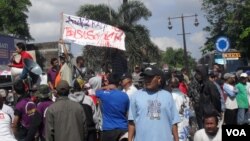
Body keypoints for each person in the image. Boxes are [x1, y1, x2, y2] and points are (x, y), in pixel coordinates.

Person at [128, 66, 180, 141]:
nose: (147, 80)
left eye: (150, 77)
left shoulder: (167, 96)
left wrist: (176, 139)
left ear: (159, 79)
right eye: (145, 77)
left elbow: (174, 122)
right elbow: (131, 122)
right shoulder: (136, 96)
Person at [96, 73, 129, 141]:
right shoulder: (125, 95)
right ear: (119, 83)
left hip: (108, 129)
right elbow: (127, 113)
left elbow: (96, 91)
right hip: (123, 128)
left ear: (108, 82)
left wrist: (105, 87)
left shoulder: (104, 94)